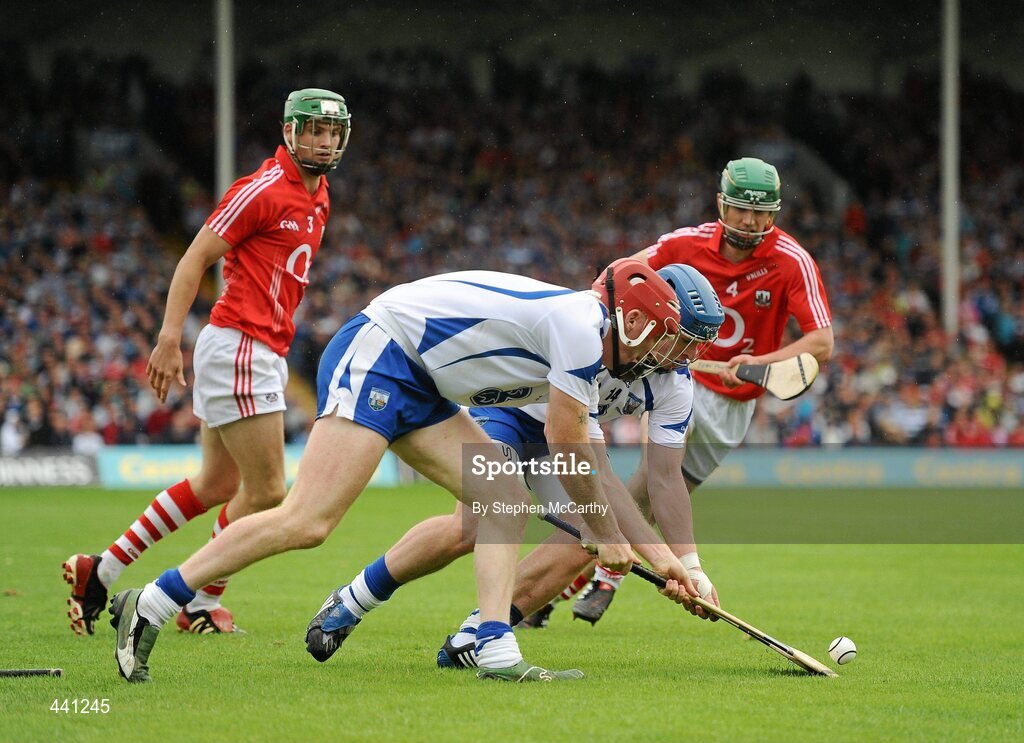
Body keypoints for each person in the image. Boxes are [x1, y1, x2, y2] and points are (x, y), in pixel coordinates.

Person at [108, 261, 700, 684]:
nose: (670, 358)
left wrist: (667, 561)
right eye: (666, 340)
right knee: (309, 520)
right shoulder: (581, 329)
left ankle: (493, 645)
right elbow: (566, 440)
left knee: (503, 498)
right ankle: (157, 600)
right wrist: (604, 534)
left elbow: (589, 459)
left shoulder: (597, 342)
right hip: (384, 352)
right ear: (637, 325)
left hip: (429, 383)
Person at [299, 264, 724, 667]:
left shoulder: (676, 386)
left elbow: (665, 480)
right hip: (514, 416)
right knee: (474, 523)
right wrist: (654, 553)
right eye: (682, 339)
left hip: (567, 438)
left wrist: (689, 567)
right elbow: (595, 467)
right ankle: (354, 599)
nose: (687, 354)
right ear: (648, 318)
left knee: (587, 535)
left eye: (696, 344)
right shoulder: (603, 344)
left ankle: (476, 633)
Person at [62, 88, 352, 636]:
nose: (324, 140)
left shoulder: (321, 196)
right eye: (313, 129)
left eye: (332, 132)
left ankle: (100, 569)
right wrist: (169, 337)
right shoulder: (263, 188)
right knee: (268, 492)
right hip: (243, 344)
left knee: (217, 484)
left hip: (253, 347)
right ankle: (195, 597)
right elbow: (195, 256)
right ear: (290, 131)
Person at [569, 156, 834, 623]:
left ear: (775, 213)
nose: (751, 222)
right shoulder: (684, 244)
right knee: (647, 481)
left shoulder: (792, 261)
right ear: (720, 204)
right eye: (740, 209)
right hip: (675, 378)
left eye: (762, 212)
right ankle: (595, 580)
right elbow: (617, 275)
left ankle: (577, 576)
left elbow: (821, 342)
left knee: (653, 500)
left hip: (735, 406)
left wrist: (757, 363)